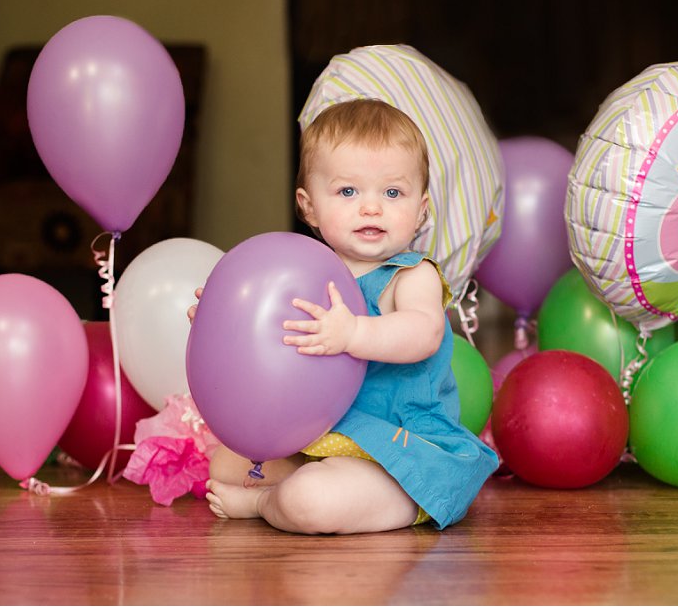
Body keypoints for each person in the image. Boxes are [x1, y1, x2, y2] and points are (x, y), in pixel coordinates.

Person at [189, 99, 498, 534]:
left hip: (403, 448)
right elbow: (276, 346)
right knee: (224, 465)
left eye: (393, 193)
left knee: (311, 500)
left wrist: (353, 331)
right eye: (348, 191)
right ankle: (289, 490)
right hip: (325, 435)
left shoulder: (410, 275)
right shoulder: (301, 271)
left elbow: (422, 333)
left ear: (422, 209)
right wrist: (226, 321)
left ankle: (268, 503)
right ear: (309, 205)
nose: (371, 208)